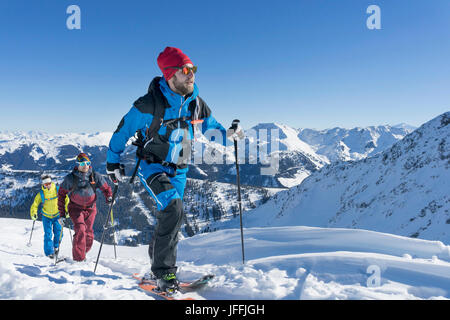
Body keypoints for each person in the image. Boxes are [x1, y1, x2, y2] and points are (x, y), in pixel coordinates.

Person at [106, 46, 244, 292]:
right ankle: (165, 275)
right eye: (185, 70)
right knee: (173, 207)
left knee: (172, 217)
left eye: (193, 69)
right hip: (152, 166)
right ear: (170, 74)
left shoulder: (195, 103)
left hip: (180, 170)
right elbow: (122, 131)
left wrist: (230, 135)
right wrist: (112, 162)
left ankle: (156, 267)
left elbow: (212, 129)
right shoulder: (148, 105)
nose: (192, 74)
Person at [57, 153, 113, 262]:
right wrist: (62, 214)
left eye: (88, 163)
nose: (85, 166)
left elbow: (106, 189)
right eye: (82, 163)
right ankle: (78, 259)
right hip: (75, 208)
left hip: (91, 208)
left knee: (88, 234)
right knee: (80, 230)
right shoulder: (70, 179)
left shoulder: (95, 176)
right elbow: (61, 195)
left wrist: (109, 197)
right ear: (77, 164)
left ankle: (82, 253)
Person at [30, 174, 69, 258]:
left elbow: (66, 200)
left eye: (49, 183)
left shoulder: (57, 190)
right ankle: (49, 253)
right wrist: (34, 213)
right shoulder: (41, 194)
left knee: (59, 233)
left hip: (57, 215)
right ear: (43, 184)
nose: (48, 185)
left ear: (51, 182)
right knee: (48, 234)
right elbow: (35, 203)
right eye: (45, 184)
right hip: (46, 217)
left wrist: (67, 210)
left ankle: (56, 247)